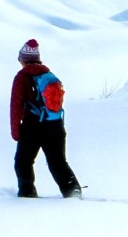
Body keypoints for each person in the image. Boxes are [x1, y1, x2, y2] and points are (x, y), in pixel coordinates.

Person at [10, 39, 81, 199]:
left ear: (23, 59)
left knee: (23, 161)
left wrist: (16, 131)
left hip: (32, 127)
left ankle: (27, 194)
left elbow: (16, 106)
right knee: (58, 163)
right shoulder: (49, 75)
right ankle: (73, 190)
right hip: (55, 125)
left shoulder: (22, 77)